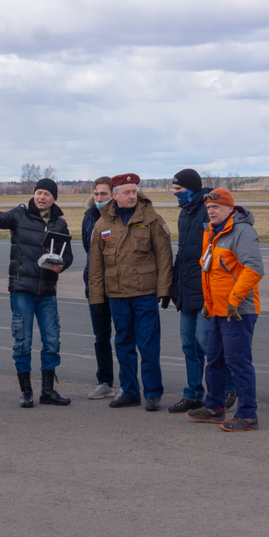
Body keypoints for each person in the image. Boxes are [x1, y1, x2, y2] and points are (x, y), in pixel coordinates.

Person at [0, 178, 73, 408]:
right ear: (34, 194)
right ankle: (26, 391)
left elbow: (67, 254)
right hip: (22, 289)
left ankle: (47, 390)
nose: (42, 197)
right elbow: (0, 220)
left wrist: (63, 265)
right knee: (23, 340)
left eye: (47, 194)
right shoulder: (20, 214)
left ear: (54, 198)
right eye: (39, 192)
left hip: (48, 291)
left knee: (52, 340)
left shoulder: (60, 223)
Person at [87, 173, 173, 412]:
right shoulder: (102, 224)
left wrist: (164, 290)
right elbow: (95, 265)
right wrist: (96, 297)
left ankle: (153, 393)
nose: (132, 195)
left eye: (134, 191)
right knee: (123, 343)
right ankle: (130, 392)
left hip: (145, 294)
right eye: (127, 192)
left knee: (148, 345)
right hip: (117, 295)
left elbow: (165, 256)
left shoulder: (152, 219)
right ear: (115, 195)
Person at [185, 189, 264, 432]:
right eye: (209, 207)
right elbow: (211, 272)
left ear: (231, 209)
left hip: (237, 311)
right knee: (215, 361)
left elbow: (254, 268)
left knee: (238, 362)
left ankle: (248, 415)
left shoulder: (242, 231)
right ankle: (214, 407)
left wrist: (235, 299)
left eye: (216, 207)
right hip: (217, 310)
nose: (211, 211)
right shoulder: (211, 232)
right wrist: (209, 305)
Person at [166, 169, 236, 413]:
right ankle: (193, 393)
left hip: (206, 291)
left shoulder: (208, 212)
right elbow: (182, 253)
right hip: (186, 290)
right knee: (188, 345)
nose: (176, 195)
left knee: (206, 341)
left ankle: (227, 387)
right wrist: (172, 285)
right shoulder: (184, 215)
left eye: (179, 191)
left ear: (191, 190)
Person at [81, 177, 116, 400]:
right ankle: (105, 382)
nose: (99, 198)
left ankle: (130, 384)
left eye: (103, 193)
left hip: (120, 286)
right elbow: (89, 249)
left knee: (125, 336)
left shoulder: (120, 216)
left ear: (113, 194)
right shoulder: (89, 217)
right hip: (95, 285)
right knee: (101, 336)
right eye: (96, 194)